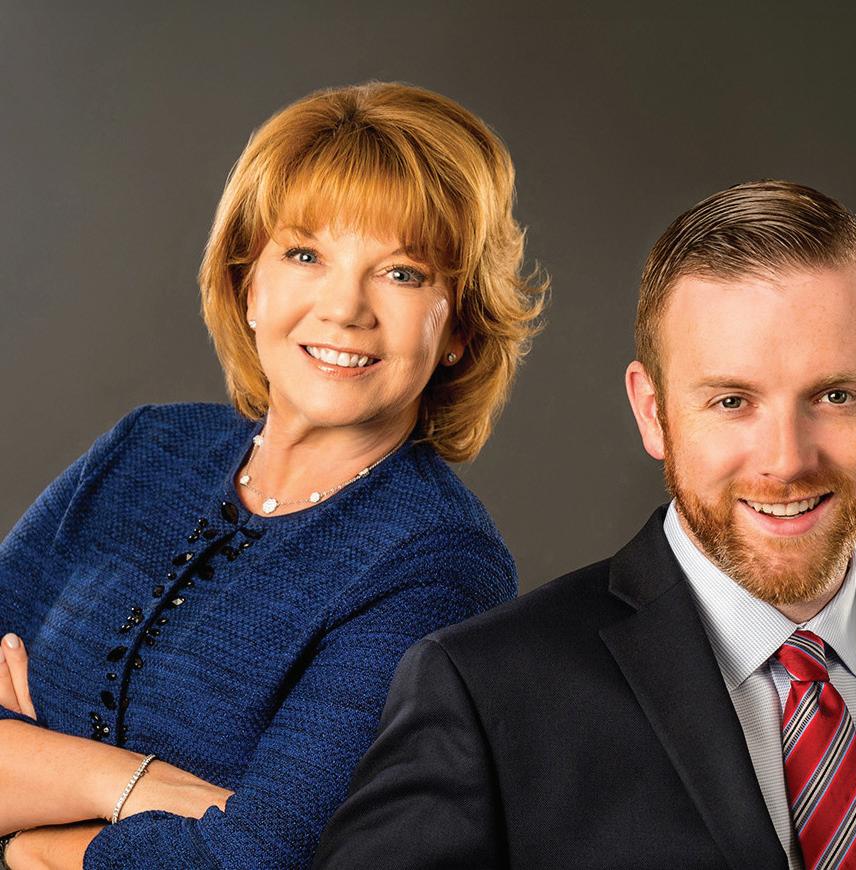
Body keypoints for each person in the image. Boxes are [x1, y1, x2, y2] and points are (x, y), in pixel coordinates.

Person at [315, 180, 856, 869]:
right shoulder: (485, 692)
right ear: (653, 412)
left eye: (836, 396)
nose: (786, 460)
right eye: (732, 402)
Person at [0, 81, 544, 869]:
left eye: (401, 273)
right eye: (305, 255)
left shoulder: (438, 566)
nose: (344, 308)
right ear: (247, 282)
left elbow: (258, 857)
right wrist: (125, 784)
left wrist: (29, 844)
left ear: (458, 324)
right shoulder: (145, 449)